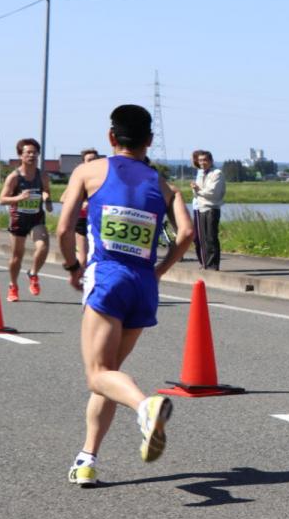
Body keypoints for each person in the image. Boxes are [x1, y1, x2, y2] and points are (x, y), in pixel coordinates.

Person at [55, 104, 194, 487]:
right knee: (109, 372)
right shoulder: (164, 185)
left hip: (108, 276)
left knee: (98, 374)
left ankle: (144, 407)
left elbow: (65, 228)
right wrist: (161, 270)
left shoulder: (89, 170)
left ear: (111, 137)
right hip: (143, 285)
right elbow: (186, 233)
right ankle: (87, 459)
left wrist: (72, 268)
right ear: (149, 141)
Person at [0, 138, 52, 302]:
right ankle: (13, 286)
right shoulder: (14, 177)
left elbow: (46, 191)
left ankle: (33, 273)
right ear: (21, 155)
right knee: (17, 257)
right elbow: (2, 199)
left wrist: (47, 199)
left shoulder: (42, 175)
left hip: (36, 218)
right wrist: (20, 197)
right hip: (18, 219)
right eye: (28, 152)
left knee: (43, 246)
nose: (32, 155)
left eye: (34, 152)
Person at [189, 149, 225, 270]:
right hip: (201, 207)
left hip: (212, 207)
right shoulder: (202, 173)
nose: (202, 162)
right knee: (202, 238)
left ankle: (213, 264)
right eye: (200, 160)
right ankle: (206, 263)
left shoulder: (217, 173)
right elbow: (197, 193)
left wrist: (198, 190)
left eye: (205, 160)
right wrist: (195, 188)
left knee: (211, 237)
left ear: (211, 161)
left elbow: (212, 192)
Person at [71, 148, 101, 267]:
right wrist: (81, 203)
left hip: (98, 221)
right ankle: (80, 278)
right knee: (83, 258)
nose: (92, 162)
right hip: (82, 221)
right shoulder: (80, 178)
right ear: (84, 162)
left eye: (94, 159)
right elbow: (64, 198)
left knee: (98, 257)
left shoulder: (103, 178)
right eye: (89, 160)